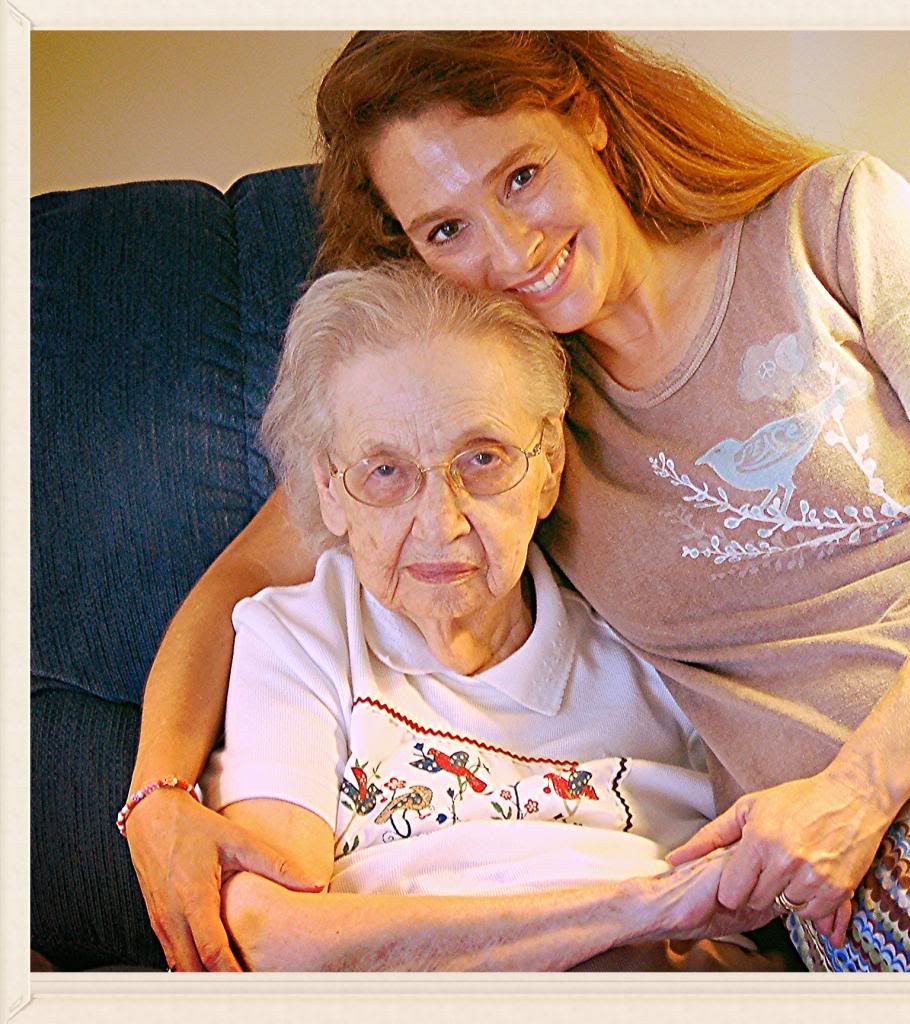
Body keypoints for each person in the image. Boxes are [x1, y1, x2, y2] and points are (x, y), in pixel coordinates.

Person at [122, 31, 910, 973]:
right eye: (445, 230)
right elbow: (245, 578)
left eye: (522, 176)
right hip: (857, 855)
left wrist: (862, 786)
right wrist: (158, 797)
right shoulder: (504, 407)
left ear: (586, 116)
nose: (509, 249)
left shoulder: (828, 222)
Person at [178, 260, 782, 972]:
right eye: (385, 471)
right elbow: (272, 936)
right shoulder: (301, 638)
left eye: (483, 459)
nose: (441, 523)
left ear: (548, 465)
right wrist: (634, 912)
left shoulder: (659, 637)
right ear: (329, 490)